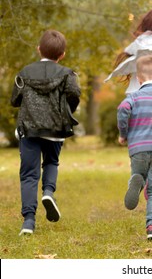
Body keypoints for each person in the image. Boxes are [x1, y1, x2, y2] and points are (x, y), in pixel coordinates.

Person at [11, 29, 81, 236]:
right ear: (62, 54)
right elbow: (74, 93)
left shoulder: (24, 73)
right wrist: (68, 109)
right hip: (56, 128)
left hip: (29, 129)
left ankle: (28, 221)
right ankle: (49, 192)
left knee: (29, 175)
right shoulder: (67, 74)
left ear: (38, 49)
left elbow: (15, 100)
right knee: (51, 162)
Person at [117, 55, 152, 242]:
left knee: (139, 173)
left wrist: (123, 134)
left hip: (138, 148)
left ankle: (137, 180)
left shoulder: (134, 97)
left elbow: (123, 109)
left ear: (139, 79)